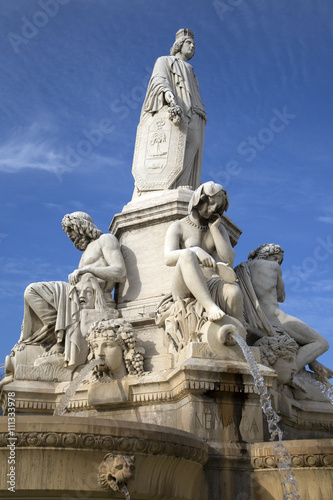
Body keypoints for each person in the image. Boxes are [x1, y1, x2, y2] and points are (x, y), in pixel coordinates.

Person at [19, 212, 126, 367]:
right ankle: (55, 335)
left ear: (82, 227)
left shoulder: (105, 240)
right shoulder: (86, 252)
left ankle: (58, 339)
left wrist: (87, 270)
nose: (70, 236)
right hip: (78, 294)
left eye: (71, 231)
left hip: (93, 297)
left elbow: (120, 272)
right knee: (32, 293)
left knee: (33, 290)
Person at [246, 243, 332, 383]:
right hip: (275, 317)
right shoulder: (274, 267)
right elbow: (281, 297)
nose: (278, 263)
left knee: (301, 340)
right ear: (271, 257)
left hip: (256, 319)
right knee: (321, 342)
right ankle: (291, 374)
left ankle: (312, 364)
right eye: (277, 259)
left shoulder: (243, 268)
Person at [138, 28, 206, 191]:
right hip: (174, 108)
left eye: (194, 45)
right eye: (189, 43)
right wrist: (169, 97)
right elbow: (159, 80)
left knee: (194, 143)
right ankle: (168, 184)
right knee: (175, 145)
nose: (192, 47)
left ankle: (182, 182)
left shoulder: (191, 71)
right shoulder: (164, 61)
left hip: (193, 111)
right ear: (179, 45)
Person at [164, 181, 243, 322]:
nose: (213, 209)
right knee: (187, 255)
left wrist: (214, 230)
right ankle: (210, 307)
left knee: (234, 291)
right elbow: (168, 258)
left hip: (212, 281)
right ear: (199, 200)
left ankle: (238, 329)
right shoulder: (178, 226)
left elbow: (228, 260)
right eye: (211, 204)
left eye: (217, 207)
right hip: (185, 284)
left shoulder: (219, 228)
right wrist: (195, 250)